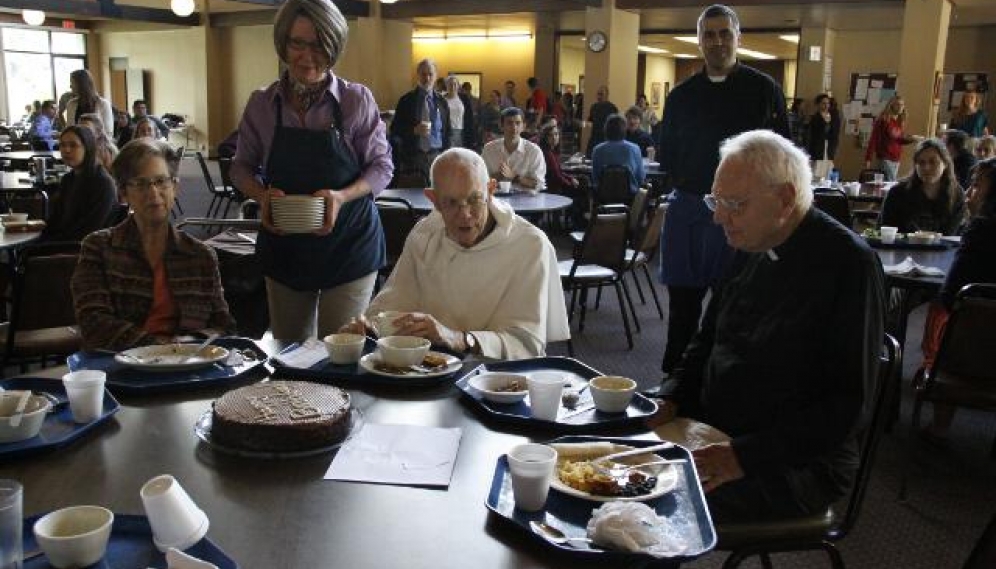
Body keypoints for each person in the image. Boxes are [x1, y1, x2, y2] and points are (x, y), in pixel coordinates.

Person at [652, 129, 885, 523]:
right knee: (605, 456)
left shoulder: (849, 265)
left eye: (734, 204)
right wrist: (669, 397)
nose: (717, 216)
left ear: (785, 200)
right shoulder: (750, 242)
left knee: (650, 500)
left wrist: (743, 456)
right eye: (716, 200)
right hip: (715, 428)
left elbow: (846, 408)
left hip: (796, 462)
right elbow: (706, 342)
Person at [230, 0, 390, 341]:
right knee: (290, 355)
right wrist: (260, 194)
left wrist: (341, 196)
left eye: (319, 44)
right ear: (283, 44)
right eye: (297, 43)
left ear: (334, 45)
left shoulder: (355, 101)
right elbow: (240, 167)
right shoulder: (262, 104)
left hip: (349, 244)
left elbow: (381, 167)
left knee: (340, 353)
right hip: (286, 248)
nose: (307, 55)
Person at [656, 3, 790, 377]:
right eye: (709, 35)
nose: (718, 42)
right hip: (689, 207)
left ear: (738, 38)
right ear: (699, 41)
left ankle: (725, 381)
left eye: (725, 34)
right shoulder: (681, 96)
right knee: (682, 304)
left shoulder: (764, 90)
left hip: (744, 213)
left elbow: (784, 154)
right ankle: (674, 379)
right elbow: (668, 156)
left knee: (735, 304)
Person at [340, 148, 569, 359]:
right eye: (450, 203)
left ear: (490, 190)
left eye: (474, 199)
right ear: (434, 201)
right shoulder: (425, 234)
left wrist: (457, 338)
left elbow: (525, 344)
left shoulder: (530, 245)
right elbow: (394, 305)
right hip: (426, 372)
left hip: (497, 383)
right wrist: (371, 327)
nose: (465, 215)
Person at [71, 139, 235, 351]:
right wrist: (159, 347)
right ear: (123, 193)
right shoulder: (99, 248)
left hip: (187, 366)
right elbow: (94, 324)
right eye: (140, 183)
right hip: (122, 367)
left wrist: (189, 343)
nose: (153, 193)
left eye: (160, 181)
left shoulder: (200, 255)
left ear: (174, 188)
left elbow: (224, 327)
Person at [918, 157, 996, 442]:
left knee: (946, 313)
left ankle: (939, 424)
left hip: (970, 348)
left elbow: (951, 296)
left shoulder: (981, 232)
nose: (968, 192)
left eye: (976, 186)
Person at [41, 126, 117, 243]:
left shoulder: (102, 183)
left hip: (82, 249)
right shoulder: (68, 179)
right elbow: (56, 219)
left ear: (88, 148)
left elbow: (89, 230)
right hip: (62, 241)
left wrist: (48, 242)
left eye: (73, 145)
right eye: (62, 145)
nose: (66, 150)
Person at [879, 138, 966, 235]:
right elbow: (884, 231)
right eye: (921, 162)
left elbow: (949, 235)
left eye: (933, 162)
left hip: (940, 249)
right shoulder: (897, 192)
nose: (926, 168)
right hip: (901, 248)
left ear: (945, 163)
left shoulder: (957, 194)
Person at [389, 58, 450, 184]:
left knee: (438, 196)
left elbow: (447, 131)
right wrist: (413, 130)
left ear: (436, 76)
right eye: (423, 74)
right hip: (414, 158)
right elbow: (394, 129)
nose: (427, 78)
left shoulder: (442, 102)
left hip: (437, 156)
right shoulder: (406, 100)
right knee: (415, 196)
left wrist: (446, 155)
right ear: (418, 75)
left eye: (430, 74)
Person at [480, 107, 545, 190]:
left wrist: (514, 177)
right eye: (509, 123)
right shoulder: (489, 149)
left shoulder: (534, 151)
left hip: (525, 198)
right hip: (497, 199)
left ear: (523, 126)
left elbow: (538, 184)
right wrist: (499, 176)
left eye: (518, 123)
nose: (514, 127)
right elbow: (480, 180)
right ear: (501, 126)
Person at [865, 95, 919, 181]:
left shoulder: (898, 122)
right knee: (889, 183)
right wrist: (868, 158)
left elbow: (899, 139)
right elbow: (873, 139)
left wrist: (912, 139)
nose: (901, 107)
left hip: (896, 159)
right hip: (885, 158)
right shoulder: (883, 120)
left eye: (902, 105)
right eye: (897, 104)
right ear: (891, 105)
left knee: (889, 183)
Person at [592, 114, 646, 198]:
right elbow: (641, 177)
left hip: (602, 197)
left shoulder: (597, 150)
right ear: (624, 130)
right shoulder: (635, 148)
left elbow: (595, 177)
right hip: (630, 197)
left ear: (606, 130)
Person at [805, 93, 840, 163]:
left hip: (830, 147)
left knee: (827, 168)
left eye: (828, 103)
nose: (826, 105)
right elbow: (811, 136)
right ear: (818, 104)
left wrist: (835, 147)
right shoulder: (815, 118)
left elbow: (836, 133)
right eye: (823, 103)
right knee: (817, 169)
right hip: (817, 148)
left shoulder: (834, 117)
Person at [443, 75, 475, 150]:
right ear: (446, 86)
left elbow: (470, 117)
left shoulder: (464, 98)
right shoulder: (442, 99)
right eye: (450, 84)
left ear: (458, 86)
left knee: (461, 155)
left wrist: (472, 134)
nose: (452, 86)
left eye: (455, 84)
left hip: (462, 131)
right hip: (448, 132)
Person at [585, 85, 618, 157]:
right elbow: (590, 122)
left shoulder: (612, 108)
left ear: (606, 95)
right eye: (598, 94)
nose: (599, 97)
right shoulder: (593, 107)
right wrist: (583, 124)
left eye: (601, 94)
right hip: (594, 138)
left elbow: (615, 126)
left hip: (606, 139)